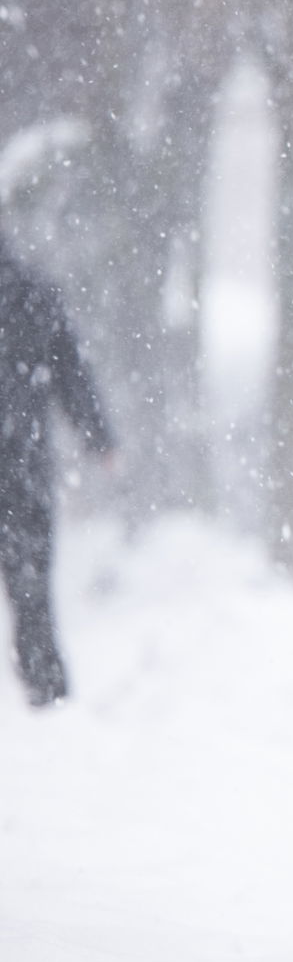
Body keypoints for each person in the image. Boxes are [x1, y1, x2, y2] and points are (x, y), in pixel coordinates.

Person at [0, 228, 114, 706]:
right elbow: (71, 370)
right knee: (31, 584)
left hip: (23, 457)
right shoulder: (35, 293)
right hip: (23, 460)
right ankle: (45, 685)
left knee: (31, 580)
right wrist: (99, 437)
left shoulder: (36, 294)